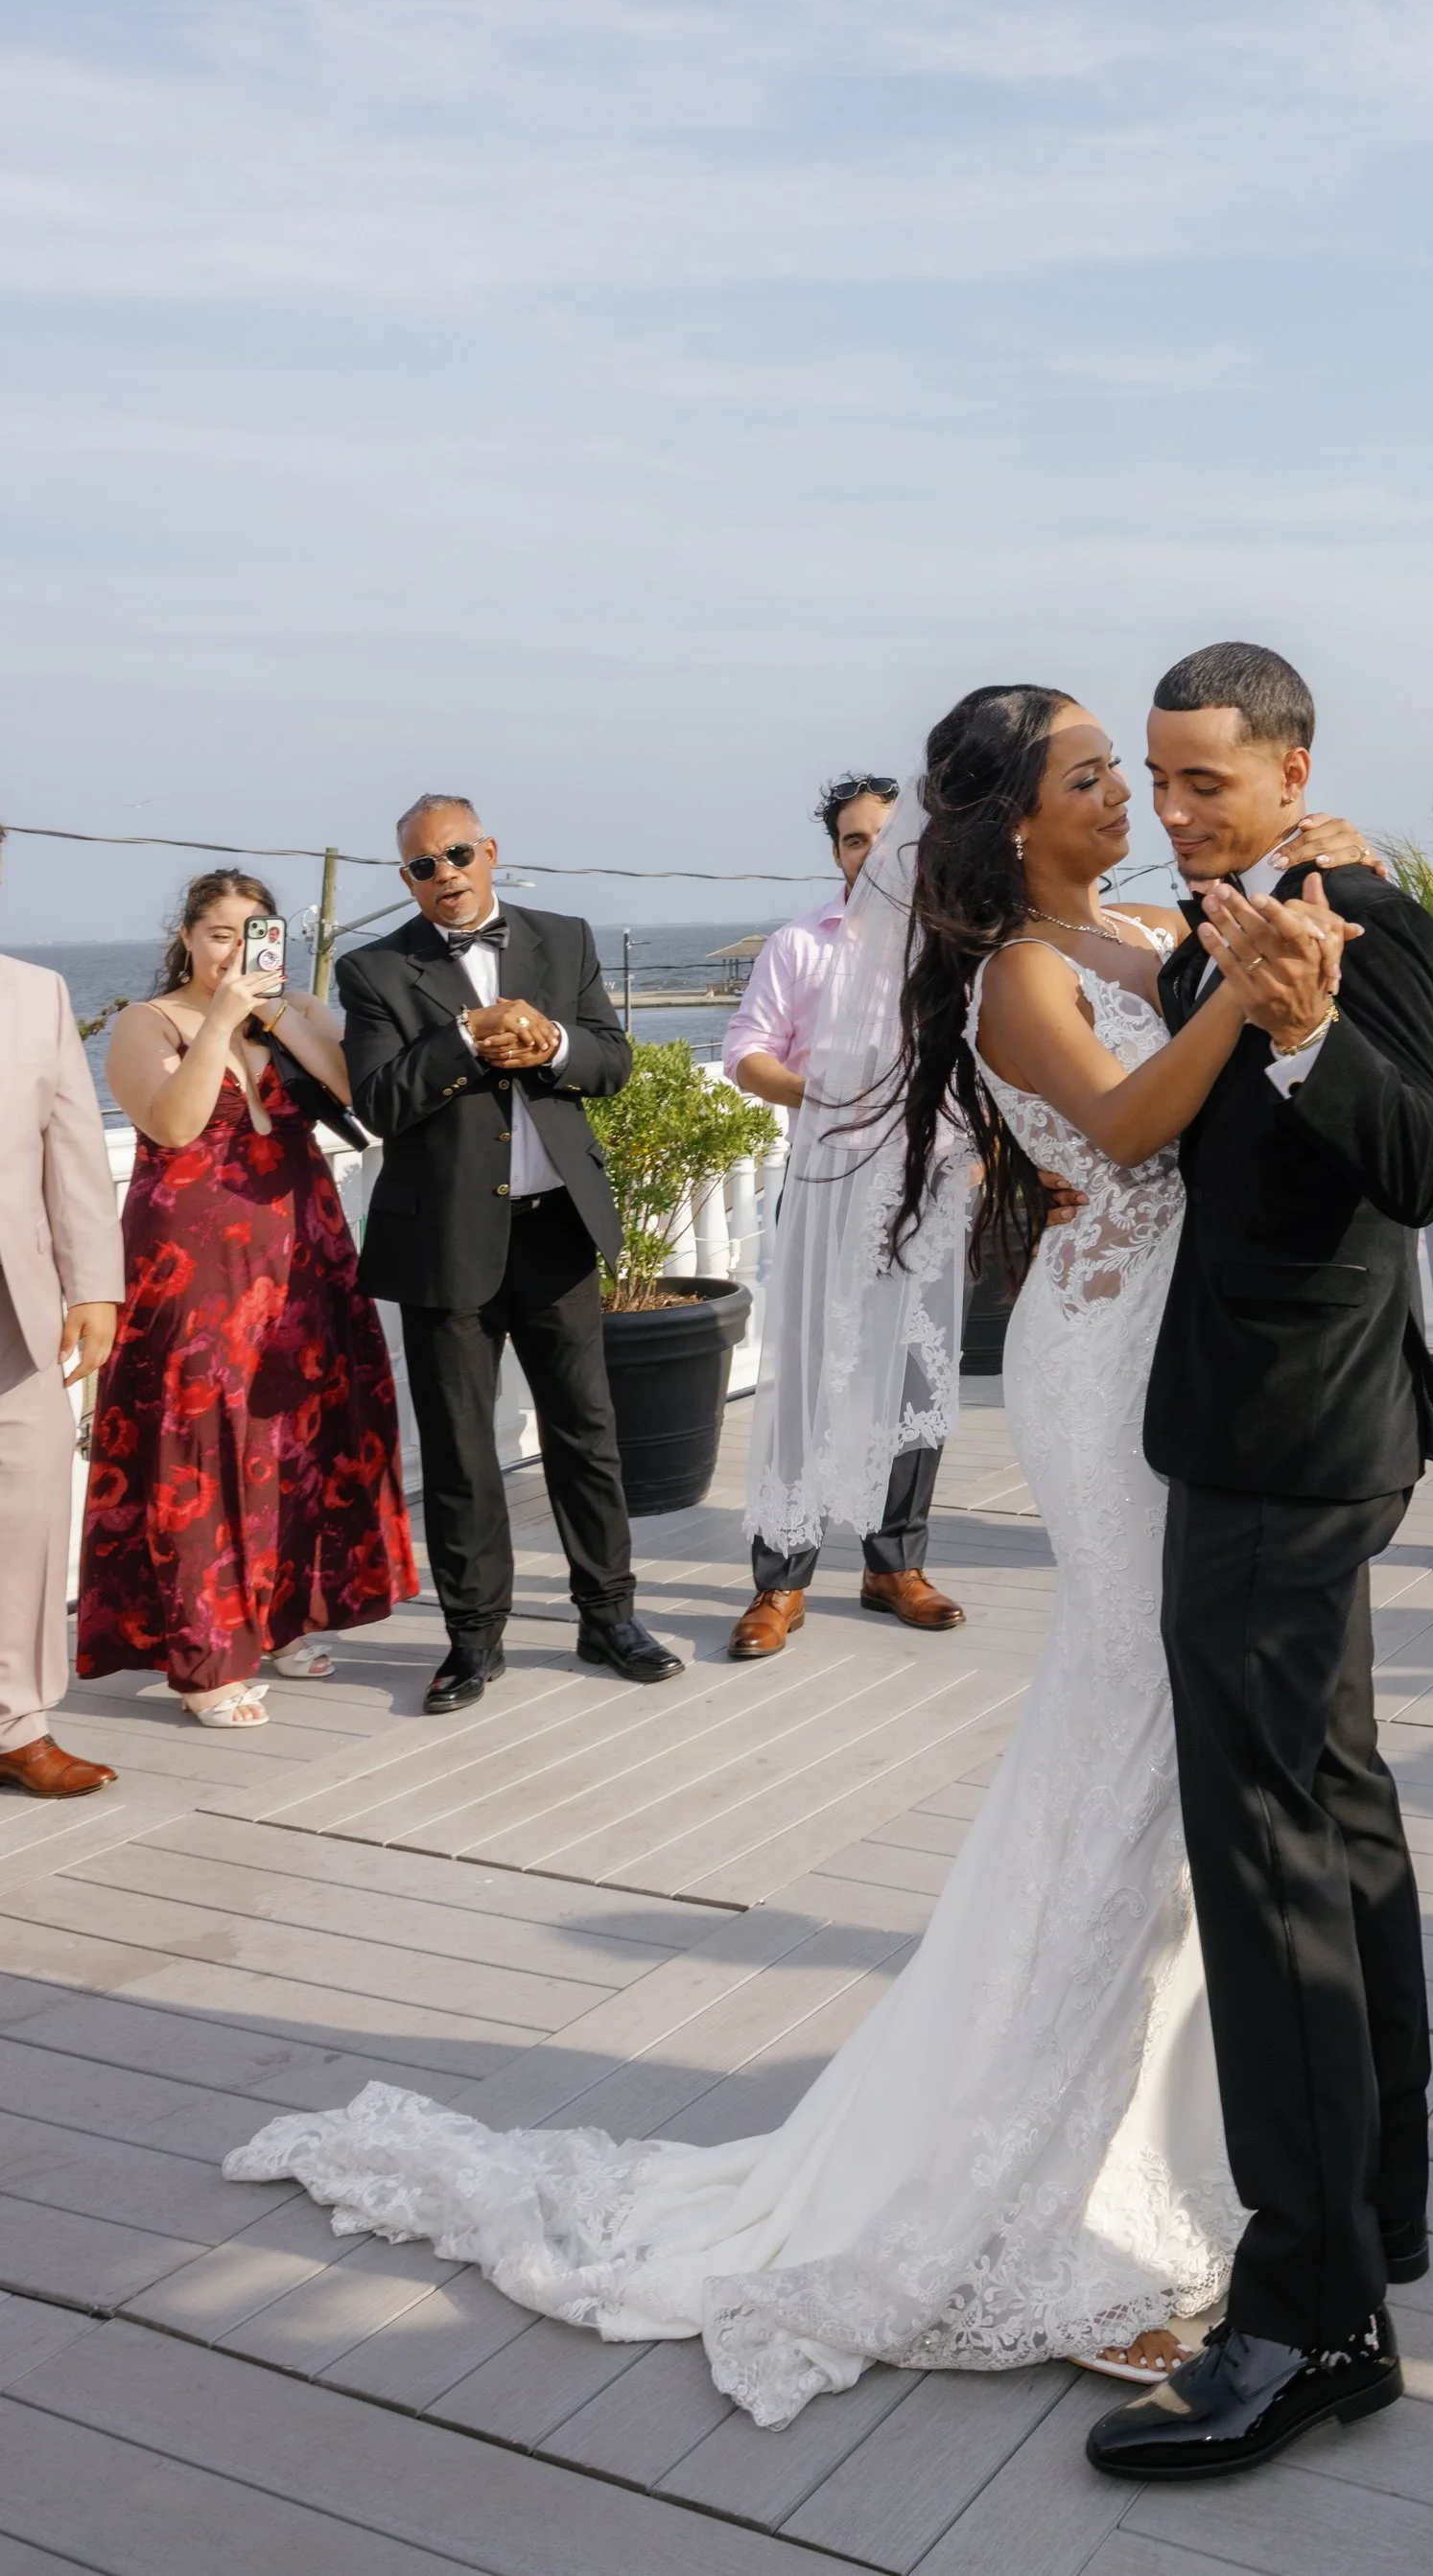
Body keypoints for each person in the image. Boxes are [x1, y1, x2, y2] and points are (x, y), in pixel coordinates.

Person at [225, 688, 1369, 2427]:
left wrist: (1292, 882)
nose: (1124, 794)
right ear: (1006, 826)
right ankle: (1046, 2184)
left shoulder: (1131, 930)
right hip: (1097, 1354)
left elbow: (1213, 1001)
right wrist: (1273, 997)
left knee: (1156, 1740)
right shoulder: (1014, 977)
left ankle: (1166, 2153)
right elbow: (1133, 1130)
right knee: (1140, 1723)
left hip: (1167, 1348)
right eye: (1089, 775)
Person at [1084, 644, 1433, 2487]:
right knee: (1337, 1811)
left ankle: (1310, 2315)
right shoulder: (1224, 917)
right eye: (1157, 779)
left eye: (1206, 782)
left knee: (1268, 1866)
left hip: (1285, 1450)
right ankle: (1376, 2209)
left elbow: (1419, 1160)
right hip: (1266, 1433)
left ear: (1296, 763)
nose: (1176, 809)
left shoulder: (1363, 920)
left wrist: (1313, 1022)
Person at [337, 795, 679, 1715]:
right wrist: (465, 1041)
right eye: (421, 866)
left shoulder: (562, 939)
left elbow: (612, 1062)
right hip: (443, 1241)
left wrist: (554, 1044)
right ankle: (472, 1641)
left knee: (586, 1434)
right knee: (459, 1449)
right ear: (406, 879)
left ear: (488, 850)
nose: (443, 875)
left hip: (557, 1225)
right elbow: (377, 1102)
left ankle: (609, 1617)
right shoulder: (372, 969)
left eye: (455, 854)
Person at [77, 871, 417, 1726]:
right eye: (220, 932)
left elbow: (353, 1098)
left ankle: (281, 1618)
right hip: (191, 1259)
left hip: (301, 1248)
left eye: (254, 931)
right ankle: (204, 1658)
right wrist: (221, 1022)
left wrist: (278, 1018)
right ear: (187, 937)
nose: (236, 948)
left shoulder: (296, 1011)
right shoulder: (146, 1022)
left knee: (296, 1433)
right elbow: (173, 1126)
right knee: (199, 1445)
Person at [724, 771, 967, 1659]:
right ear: (837, 853)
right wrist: (821, 1098)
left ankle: (892, 1564)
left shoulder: (947, 945)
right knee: (806, 1376)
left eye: (887, 836)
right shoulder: (801, 944)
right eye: (853, 839)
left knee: (914, 1374)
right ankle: (779, 1579)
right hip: (828, 1188)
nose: (870, 852)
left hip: (929, 1185)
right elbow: (747, 1050)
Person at [0, 796, 123, 1805]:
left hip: (14, 1308)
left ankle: (5, 1732)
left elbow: (72, 1152)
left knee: (23, 1523)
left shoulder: (37, 992)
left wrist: (94, 1284)